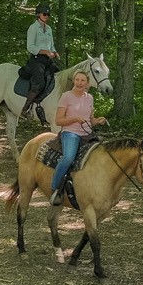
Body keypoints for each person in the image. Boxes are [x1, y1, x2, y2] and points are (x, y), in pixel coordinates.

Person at [47, 68, 106, 205]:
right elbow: (58, 121)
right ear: (73, 81)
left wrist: (97, 121)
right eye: (77, 80)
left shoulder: (89, 98)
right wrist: (74, 119)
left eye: (83, 80)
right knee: (68, 158)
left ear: (87, 83)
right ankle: (55, 188)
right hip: (71, 133)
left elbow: (90, 118)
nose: (79, 83)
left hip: (87, 134)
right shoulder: (66, 96)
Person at [19, 4, 61, 124]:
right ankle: (25, 108)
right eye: (44, 14)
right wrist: (45, 52)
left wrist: (55, 52)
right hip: (37, 60)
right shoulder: (33, 28)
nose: (46, 16)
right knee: (40, 83)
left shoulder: (49, 29)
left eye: (48, 14)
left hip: (48, 59)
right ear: (38, 14)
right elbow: (30, 47)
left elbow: (51, 44)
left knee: (58, 77)